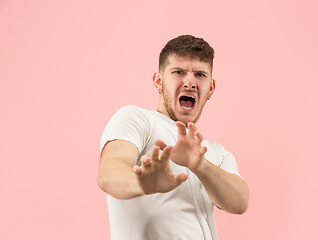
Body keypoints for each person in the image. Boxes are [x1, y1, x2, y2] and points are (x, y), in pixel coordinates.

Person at [98, 35, 249, 240]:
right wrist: (143, 185)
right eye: (178, 72)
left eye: (199, 75)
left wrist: (200, 166)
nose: (190, 82)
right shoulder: (136, 119)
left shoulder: (217, 153)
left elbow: (239, 202)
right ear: (158, 81)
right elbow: (109, 173)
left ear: (211, 88)